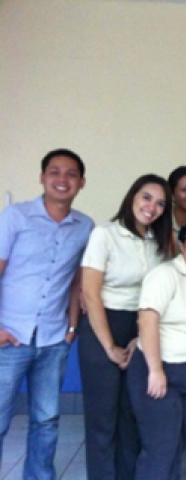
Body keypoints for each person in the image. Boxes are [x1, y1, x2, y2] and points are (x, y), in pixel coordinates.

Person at [0, 149, 92, 480]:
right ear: (42, 177)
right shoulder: (15, 216)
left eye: (70, 174)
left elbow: (75, 283)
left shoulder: (84, 226)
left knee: (47, 420)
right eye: (55, 172)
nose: (62, 179)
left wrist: (71, 329)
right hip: (9, 338)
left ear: (81, 182)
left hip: (54, 340)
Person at [79, 174, 173, 480]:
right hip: (102, 324)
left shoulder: (160, 240)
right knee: (103, 416)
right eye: (147, 197)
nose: (152, 207)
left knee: (131, 413)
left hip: (141, 327)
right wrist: (109, 346)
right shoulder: (104, 235)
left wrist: (139, 338)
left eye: (160, 203)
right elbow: (90, 294)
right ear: (132, 196)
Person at [128, 218, 186, 479]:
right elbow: (147, 319)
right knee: (160, 448)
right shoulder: (164, 274)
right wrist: (155, 371)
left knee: (178, 445)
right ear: (182, 245)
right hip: (160, 369)